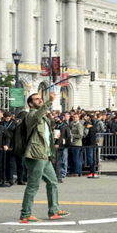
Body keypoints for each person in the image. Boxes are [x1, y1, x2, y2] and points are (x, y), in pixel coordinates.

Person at [18, 92, 69, 223]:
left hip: (45, 154)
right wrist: (49, 101)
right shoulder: (31, 115)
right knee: (33, 185)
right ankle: (25, 214)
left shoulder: (44, 118)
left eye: (41, 99)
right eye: (37, 99)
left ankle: (54, 210)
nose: (40, 100)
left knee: (53, 182)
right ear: (30, 103)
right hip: (35, 154)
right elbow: (38, 114)